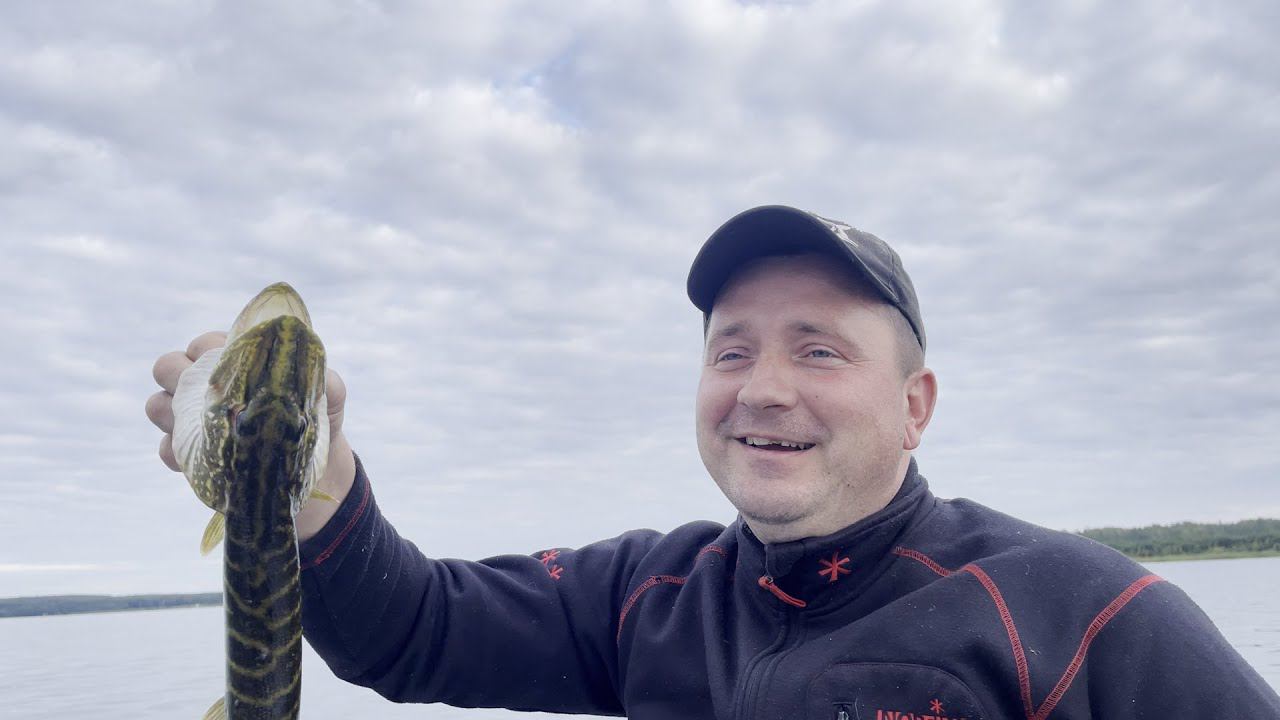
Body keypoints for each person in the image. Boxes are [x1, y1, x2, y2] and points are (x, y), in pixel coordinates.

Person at [148, 205, 1280, 718]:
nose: (762, 387)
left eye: (818, 350)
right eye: (729, 349)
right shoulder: (649, 599)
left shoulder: (1089, 615)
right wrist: (308, 472)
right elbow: (410, 630)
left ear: (914, 404)